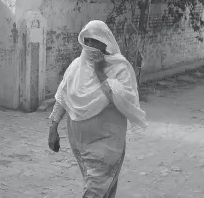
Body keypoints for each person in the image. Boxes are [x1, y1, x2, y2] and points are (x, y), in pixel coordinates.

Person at [48, 20, 148, 198]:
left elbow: (123, 99)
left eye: (96, 41)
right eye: (88, 41)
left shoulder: (119, 68)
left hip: (108, 141)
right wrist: (53, 128)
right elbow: (62, 96)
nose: (91, 46)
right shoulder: (75, 67)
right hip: (80, 143)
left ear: (106, 42)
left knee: (94, 188)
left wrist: (101, 73)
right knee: (103, 187)